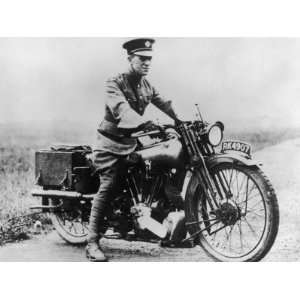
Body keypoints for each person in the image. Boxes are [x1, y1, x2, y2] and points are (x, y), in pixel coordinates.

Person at [86, 38, 184, 262]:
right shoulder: (114, 82)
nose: (147, 63)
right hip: (109, 145)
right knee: (109, 185)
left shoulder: (146, 85)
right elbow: (123, 111)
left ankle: (159, 225)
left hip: (132, 142)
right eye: (142, 58)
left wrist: (181, 121)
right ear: (130, 58)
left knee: (158, 168)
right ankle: (92, 242)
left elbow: (165, 103)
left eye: (149, 59)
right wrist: (147, 123)